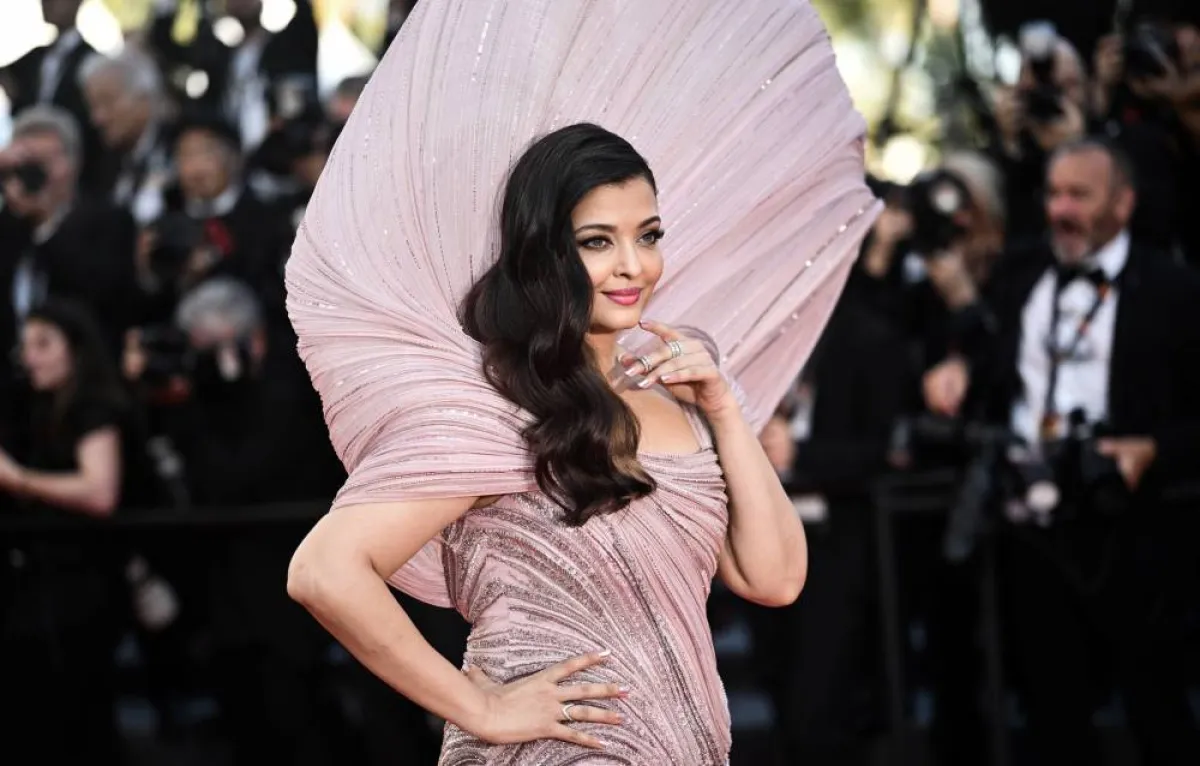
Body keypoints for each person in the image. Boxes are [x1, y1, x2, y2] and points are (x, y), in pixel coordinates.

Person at [283, 1, 877, 762]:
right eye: (598, 241)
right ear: (542, 253)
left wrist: (726, 411)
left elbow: (775, 578)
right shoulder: (488, 408)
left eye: (649, 235)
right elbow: (324, 570)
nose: (634, 267)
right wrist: (482, 709)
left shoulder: (675, 387)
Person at [924, 138, 1200, 765]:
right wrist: (959, 369)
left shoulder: (1174, 289)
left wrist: (1151, 449)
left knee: (1156, 707)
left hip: (1134, 527)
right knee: (1051, 714)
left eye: (1080, 195)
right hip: (1033, 527)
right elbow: (996, 369)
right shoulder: (1021, 276)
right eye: (1053, 194)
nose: (1061, 209)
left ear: (1123, 204)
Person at [0, 299, 147, 765]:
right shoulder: (40, 408)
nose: (31, 357)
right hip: (50, 585)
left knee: (82, 714)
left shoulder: (94, 407)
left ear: (75, 350)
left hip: (85, 589)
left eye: (43, 344)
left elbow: (99, 491)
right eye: (26, 346)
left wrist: (17, 479)